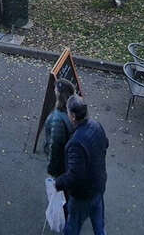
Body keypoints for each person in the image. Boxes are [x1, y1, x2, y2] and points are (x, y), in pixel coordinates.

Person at [54, 95, 108, 235]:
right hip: (99, 185)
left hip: (83, 195)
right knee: (99, 225)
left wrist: (58, 183)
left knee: (72, 226)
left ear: (72, 116)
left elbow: (75, 176)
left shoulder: (76, 143)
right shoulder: (96, 125)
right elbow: (105, 144)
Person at [44, 79, 76, 179]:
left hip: (62, 165)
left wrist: (51, 169)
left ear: (59, 94)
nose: (54, 90)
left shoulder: (57, 119)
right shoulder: (75, 108)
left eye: (56, 89)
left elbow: (55, 147)